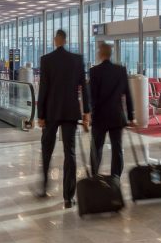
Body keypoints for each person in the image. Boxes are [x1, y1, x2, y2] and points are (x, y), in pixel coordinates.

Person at [36, 29, 90, 209]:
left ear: (55, 40)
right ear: (65, 40)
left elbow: (43, 89)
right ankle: (69, 197)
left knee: (47, 150)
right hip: (70, 112)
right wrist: (86, 112)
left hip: (51, 112)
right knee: (70, 153)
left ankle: (44, 187)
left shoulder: (46, 60)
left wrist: (40, 115)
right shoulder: (77, 60)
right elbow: (84, 87)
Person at [88, 43, 135, 178]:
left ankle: (95, 177)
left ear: (100, 54)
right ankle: (116, 178)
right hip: (116, 116)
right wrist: (131, 117)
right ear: (110, 54)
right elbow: (128, 94)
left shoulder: (94, 71)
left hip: (99, 117)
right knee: (117, 149)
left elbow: (93, 97)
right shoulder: (120, 70)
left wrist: (90, 114)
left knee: (96, 149)